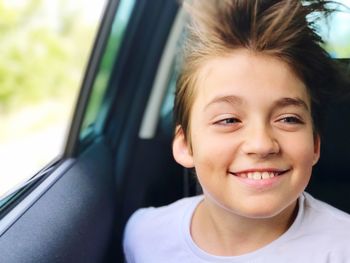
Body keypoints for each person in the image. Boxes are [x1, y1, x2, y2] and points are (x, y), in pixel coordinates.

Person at [123, 0, 350, 262]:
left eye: (288, 119)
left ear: (315, 145)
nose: (262, 144)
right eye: (229, 120)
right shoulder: (144, 235)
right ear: (185, 146)